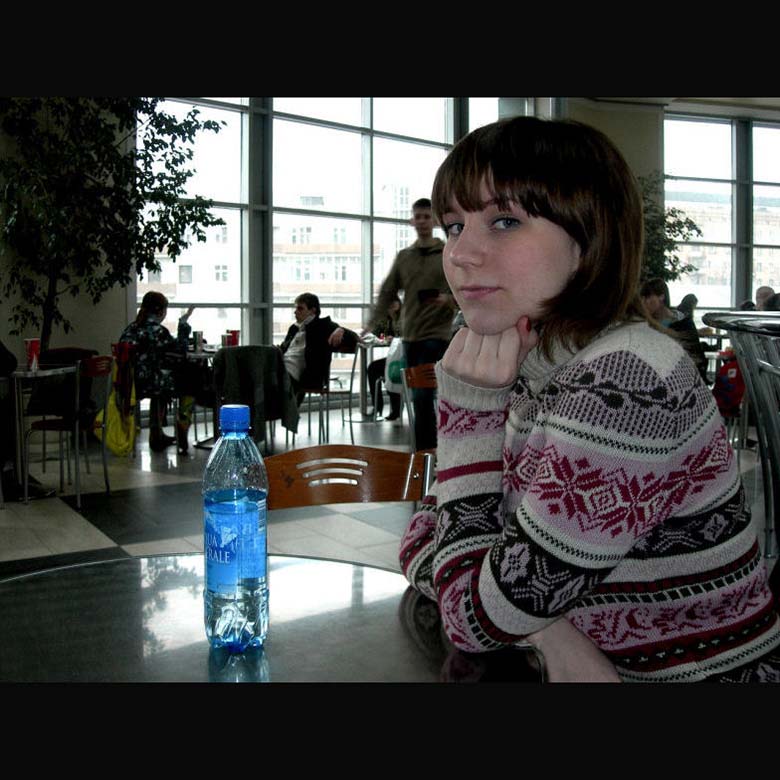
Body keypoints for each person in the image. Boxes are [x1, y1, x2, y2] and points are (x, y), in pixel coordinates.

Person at [398, 115, 780, 683]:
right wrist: (546, 628)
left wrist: (469, 417)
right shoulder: (537, 364)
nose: (460, 254)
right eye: (454, 227)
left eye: (504, 221)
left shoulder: (625, 381)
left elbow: (473, 617)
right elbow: (425, 534)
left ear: (589, 240)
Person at [366, 198, 456, 450]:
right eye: (418, 217)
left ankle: (431, 450)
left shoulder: (447, 254)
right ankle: (427, 452)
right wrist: (370, 324)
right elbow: (387, 291)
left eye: (427, 216)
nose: (422, 221)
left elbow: (462, 290)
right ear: (412, 221)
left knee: (426, 395)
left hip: (437, 336)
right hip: (411, 337)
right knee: (420, 398)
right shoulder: (405, 257)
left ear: (434, 220)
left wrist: (447, 300)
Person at [119, 292, 195, 453]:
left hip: (130, 383)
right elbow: (179, 351)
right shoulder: (158, 331)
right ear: (160, 311)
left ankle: (157, 433)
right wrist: (183, 324)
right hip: (152, 382)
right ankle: (182, 421)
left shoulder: (131, 328)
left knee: (160, 382)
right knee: (189, 381)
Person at [279, 292, 358, 403]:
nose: (295, 312)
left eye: (300, 308)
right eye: (295, 308)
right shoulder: (294, 328)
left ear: (312, 310)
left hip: (303, 374)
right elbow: (284, 349)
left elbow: (355, 339)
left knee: (275, 380)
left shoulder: (324, 326)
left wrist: (341, 329)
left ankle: (284, 409)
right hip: (283, 366)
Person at [642, 278, 708, 383]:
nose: (645, 302)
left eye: (648, 297)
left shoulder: (683, 323)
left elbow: (695, 355)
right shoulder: (643, 325)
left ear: (661, 296)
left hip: (681, 379)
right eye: (643, 298)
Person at [366, 295, 402, 421]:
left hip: (407, 357)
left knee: (387, 369)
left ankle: (395, 409)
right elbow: (376, 332)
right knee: (373, 368)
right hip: (395, 357)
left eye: (394, 302)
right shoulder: (387, 318)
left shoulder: (405, 317)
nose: (391, 306)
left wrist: (396, 338)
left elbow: (408, 335)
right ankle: (378, 406)